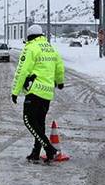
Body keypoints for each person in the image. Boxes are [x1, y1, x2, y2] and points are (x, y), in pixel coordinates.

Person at [11, 24, 65, 163]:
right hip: (47, 93)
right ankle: (36, 153)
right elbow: (59, 66)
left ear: (29, 36)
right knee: (39, 124)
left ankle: (49, 149)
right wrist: (60, 82)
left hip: (35, 91)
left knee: (28, 121)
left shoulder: (30, 48)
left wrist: (15, 91)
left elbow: (22, 71)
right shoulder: (50, 48)